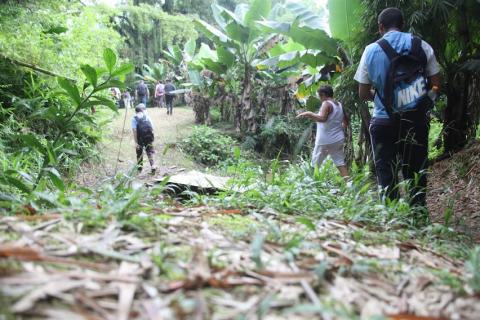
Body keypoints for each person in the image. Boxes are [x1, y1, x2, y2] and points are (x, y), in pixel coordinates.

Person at [354, 7, 441, 209]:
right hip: (416, 121)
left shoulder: (370, 50)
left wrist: (380, 97)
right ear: (403, 25)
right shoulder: (422, 46)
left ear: (380, 27)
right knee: (416, 173)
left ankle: (393, 222)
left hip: (383, 122)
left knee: (387, 176)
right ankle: (418, 216)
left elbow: (363, 92)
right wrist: (426, 101)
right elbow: (436, 83)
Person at [296, 85, 349, 178]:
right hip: (338, 139)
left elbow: (322, 118)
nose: (319, 98)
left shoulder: (326, 103)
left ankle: (310, 185)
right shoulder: (339, 104)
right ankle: (349, 185)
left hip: (325, 140)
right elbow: (346, 121)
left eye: (319, 96)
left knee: (314, 164)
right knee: (340, 163)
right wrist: (337, 129)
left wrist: (308, 113)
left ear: (323, 94)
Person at [132, 104, 156, 174]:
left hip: (140, 138)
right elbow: (152, 128)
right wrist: (151, 137)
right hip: (148, 137)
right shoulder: (147, 117)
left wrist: (136, 142)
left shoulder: (134, 119)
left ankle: (139, 169)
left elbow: (134, 131)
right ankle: (153, 165)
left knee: (139, 153)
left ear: (136, 112)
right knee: (149, 152)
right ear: (142, 111)